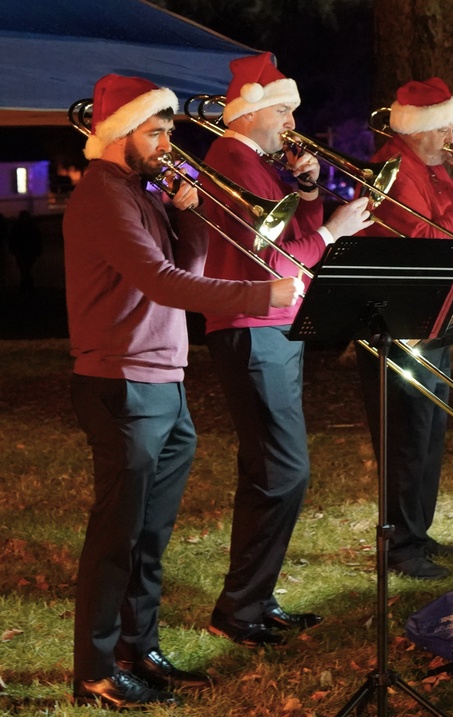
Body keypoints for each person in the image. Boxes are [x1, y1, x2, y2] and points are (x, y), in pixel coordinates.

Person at [63, 73, 302, 709]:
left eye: (169, 131)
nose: (169, 144)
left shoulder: (141, 194)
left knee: (149, 534)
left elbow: (185, 269)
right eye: (158, 132)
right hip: (120, 382)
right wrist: (263, 295)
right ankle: (94, 671)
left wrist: (186, 218)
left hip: (162, 379)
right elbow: (163, 283)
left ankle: (139, 649)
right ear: (119, 135)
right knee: (117, 533)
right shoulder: (103, 194)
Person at [197, 52, 372, 646]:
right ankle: (240, 607)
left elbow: (292, 239)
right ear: (251, 112)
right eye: (284, 111)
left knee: (268, 472)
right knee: (285, 470)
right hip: (251, 322)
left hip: (274, 322)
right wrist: (333, 232)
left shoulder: (257, 162)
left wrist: (309, 195)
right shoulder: (231, 160)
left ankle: (252, 599)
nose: (292, 124)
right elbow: (271, 260)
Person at [354, 77, 453, 579]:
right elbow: (422, 242)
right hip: (398, 315)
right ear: (418, 128)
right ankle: (399, 545)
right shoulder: (394, 169)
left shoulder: (434, 167)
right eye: (445, 126)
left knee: (430, 428)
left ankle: (416, 530)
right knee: (406, 433)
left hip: (434, 309)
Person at [9, 210, 43, 293]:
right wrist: (38, 251)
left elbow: (12, 240)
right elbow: (37, 239)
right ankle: (27, 285)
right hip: (30, 251)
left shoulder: (16, 227)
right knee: (26, 268)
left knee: (23, 269)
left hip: (20, 251)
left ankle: (25, 285)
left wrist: (13, 250)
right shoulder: (33, 227)